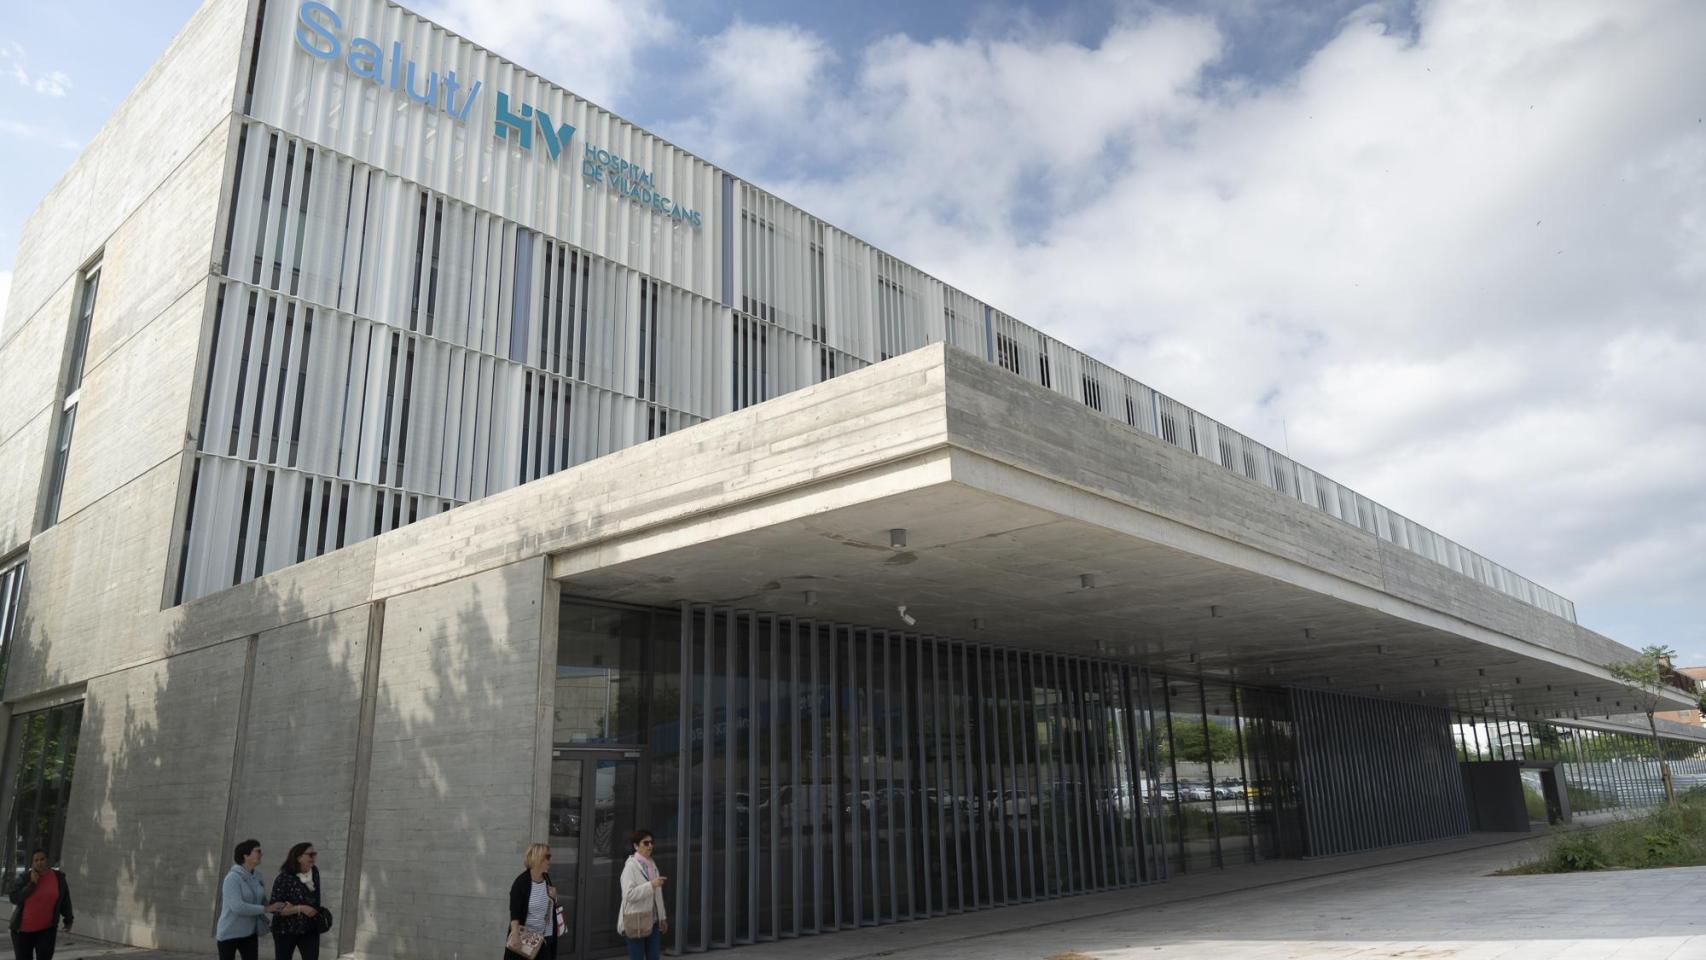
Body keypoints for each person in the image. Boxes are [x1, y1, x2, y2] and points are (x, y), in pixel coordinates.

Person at [216, 839, 283, 960]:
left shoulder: (258, 876)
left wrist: (279, 907)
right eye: (258, 851)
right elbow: (238, 907)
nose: (261, 854)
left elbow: (262, 901)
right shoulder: (232, 878)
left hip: (250, 933)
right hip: (228, 934)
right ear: (245, 855)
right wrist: (267, 909)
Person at [8, 849, 72, 960]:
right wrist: (32, 884)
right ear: (32, 862)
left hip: (47, 930)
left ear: (47, 860)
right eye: (36, 860)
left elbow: (65, 900)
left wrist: (68, 919)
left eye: (42, 859)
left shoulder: (58, 878)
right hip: (22, 932)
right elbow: (14, 898)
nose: (39, 862)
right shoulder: (25, 878)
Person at [268, 842, 324, 960]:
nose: (314, 857)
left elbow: (315, 899)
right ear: (299, 858)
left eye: (315, 854)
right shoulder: (284, 878)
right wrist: (300, 908)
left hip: (309, 928)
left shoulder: (315, 872)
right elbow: (275, 907)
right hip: (286, 930)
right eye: (310, 854)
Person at [616, 830, 667, 960]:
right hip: (636, 920)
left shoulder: (652, 865)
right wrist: (651, 885)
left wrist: (662, 917)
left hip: (653, 920)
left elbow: (657, 895)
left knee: (654, 957)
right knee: (637, 957)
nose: (650, 846)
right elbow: (629, 894)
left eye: (651, 842)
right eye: (646, 843)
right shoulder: (630, 868)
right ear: (636, 846)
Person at [505, 843, 557, 960]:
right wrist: (515, 935)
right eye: (548, 857)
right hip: (525, 940)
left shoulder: (547, 880)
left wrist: (554, 898)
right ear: (538, 858)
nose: (551, 860)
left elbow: (548, 910)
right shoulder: (521, 883)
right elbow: (515, 913)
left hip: (544, 940)